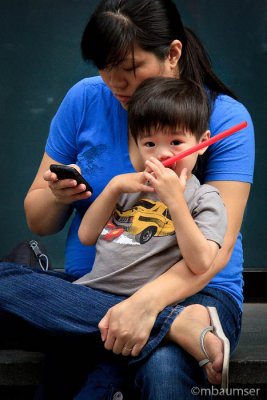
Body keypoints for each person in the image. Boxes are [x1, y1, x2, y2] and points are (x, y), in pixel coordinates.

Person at [20, 0, 254, 398]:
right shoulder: (85, 99)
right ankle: (176, 324)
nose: (115, 84)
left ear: (173, 54)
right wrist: (59, 196)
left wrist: (145, 306)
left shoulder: (224, 119)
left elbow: (215, 250)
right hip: (94, 288)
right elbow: (39, 221)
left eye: (129, 69)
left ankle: (165, 320)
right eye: (104, 68)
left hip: (197, 292)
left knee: (163, 370)